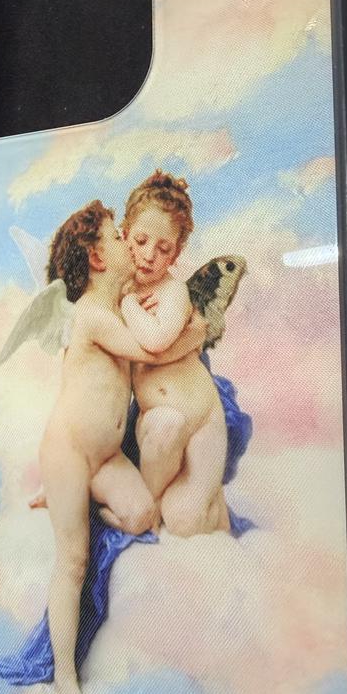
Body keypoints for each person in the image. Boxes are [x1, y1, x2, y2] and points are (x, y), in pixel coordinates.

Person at [29, 200, 206, 694]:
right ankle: (65, 678)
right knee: (73, 560)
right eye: (118, 236)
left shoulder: (124, 303)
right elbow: (150, 351)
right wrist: (196, 334)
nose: (131, 244)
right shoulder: (91, 313)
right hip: (69, 453)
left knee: (142, 514)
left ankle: (81, 503)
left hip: (105, 457)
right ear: (98, 257)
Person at [121, 171, 244, 535]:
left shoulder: (172, 292)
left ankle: (211, 504)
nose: (149, 256)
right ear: (124, 234)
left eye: (163, 249)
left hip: (203, 422)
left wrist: (129, 305)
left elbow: (157, 340)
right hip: (158, 426)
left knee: (186, 520)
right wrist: (125, 300)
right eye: (141, 241)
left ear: (175, 253)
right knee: (166, 424)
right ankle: (148, 507)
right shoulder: (116, 291)